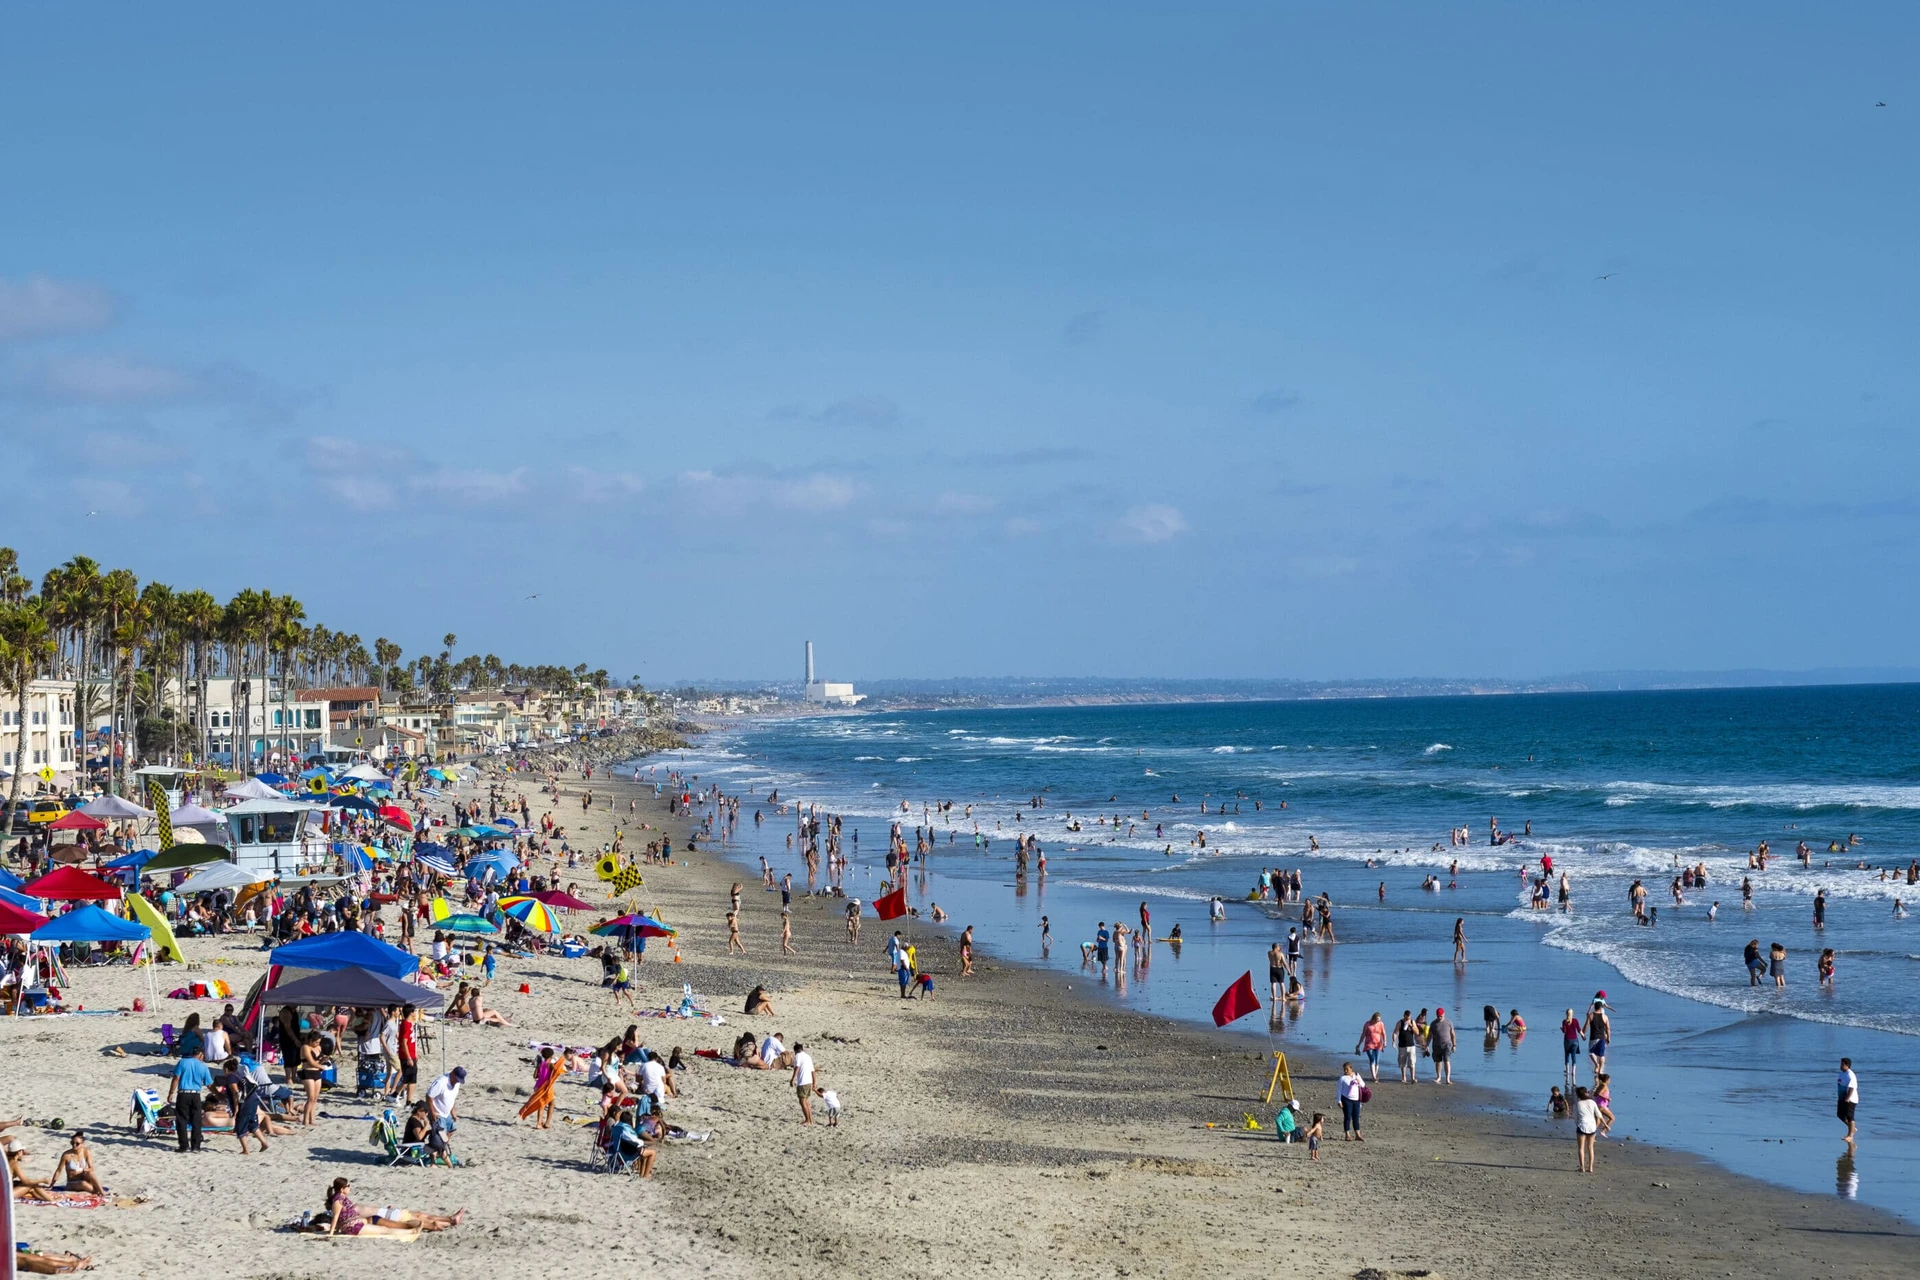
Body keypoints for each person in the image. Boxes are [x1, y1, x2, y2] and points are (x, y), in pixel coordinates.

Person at [323, 1176, 465, 1236]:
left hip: (383, 1214)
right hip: (384, 1216)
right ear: (342, 1189)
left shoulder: (346, 1202)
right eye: (348, 1186)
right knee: (421, 1218)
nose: (350, 1187)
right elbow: (337, 1217)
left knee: (420, 1215)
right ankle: (448, 1222)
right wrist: (332, 1232)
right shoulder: (340, 1202)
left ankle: (450, 1220)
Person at [168, 1039, 214, 1153]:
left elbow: (176, 1078)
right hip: (195, 1095)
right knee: (196, 1121)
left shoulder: (182, 1062)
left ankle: (184, 1146)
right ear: (201, 1054)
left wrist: (171, 1093)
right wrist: (219, 1095)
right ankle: (196, 1146)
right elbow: (209, 1084)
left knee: (182, 1120)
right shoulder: (203, 1067)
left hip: (183, 1094)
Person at [427, 1065, 466, 1134]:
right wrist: (432, 1112)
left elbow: (452, 1098)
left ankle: (444, 1144)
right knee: (439, 1137)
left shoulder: (457, 1083)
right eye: (457, 1079)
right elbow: (429, 1096)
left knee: (451, 1131)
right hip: (438, 1114)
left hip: (447, 1114)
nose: (457, 1082)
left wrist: (453, 1111)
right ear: (452, 1074)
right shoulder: (441, 1082)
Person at [1573, 1085, 1600, 1172]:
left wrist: (1578, 1124)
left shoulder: (1577, 1104)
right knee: (1590, 1147)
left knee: (1581, 1148)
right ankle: (1591, 1167)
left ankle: (1582, 1167)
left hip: (1582, 1126)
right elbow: (1598, 1115)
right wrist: (1597, 1124)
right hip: (1592, 1126)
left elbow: (1575, 1117)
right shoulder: (1592, 1102)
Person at [1336, 1061, 1365, 1141]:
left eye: (1347, 1069)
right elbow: (1339, 1090)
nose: (1345, 1071)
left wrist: (1359, 1082)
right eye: (1344, 1070)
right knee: (1348, 1117)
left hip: (1356, 1100)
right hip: (1346, 1099)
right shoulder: (1342, 1078)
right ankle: (1347, 1135)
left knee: (1356, 1117)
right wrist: (1339, 1101)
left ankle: (1357, 1135)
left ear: (1351, 1069)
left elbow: (1363, 1085)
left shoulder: (1357, 1075)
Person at [791, 1042, 817, 1125]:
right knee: (806, 1101)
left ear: (795, 1051)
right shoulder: (808, 1056)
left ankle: (807, 1120)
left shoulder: (798, 1056)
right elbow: (813, 1071)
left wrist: (793, 1078)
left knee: (802, 1101)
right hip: (809, 1081)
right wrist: (814, 1082)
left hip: (803, 1082)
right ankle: (810, 1119)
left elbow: (797, 1067)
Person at [1429, 1007, 1457, 1083]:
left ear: (1444, 1014)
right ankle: (1438, 1077)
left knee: (1447, 1060)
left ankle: (1448, 1079)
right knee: (1438, 1062)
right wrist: (1426, 1046)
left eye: (1441, 1016)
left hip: (1447, 1044)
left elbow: (1453, 1034)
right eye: (1438, 1016)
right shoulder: (1433, 1024)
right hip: (1436, 1045)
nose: (1439, 1017)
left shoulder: (1449, 1022)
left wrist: (1454, 1045)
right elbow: (1429, 1035)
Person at [1584, 998, 1611, 1076]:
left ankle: (1596, 1064)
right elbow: (1608, 1028)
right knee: (1602, 1054)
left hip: (1593, 1037)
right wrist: (1609, 1037)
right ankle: (1600, 1068)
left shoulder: (1591, 1015)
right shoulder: (1605, 1017)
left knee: (1591, 1052)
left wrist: (1583, 1033)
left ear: (1595, 1007)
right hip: (1602, 1037)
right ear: (1601, 1008)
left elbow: (1586, 1026)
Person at [1356, 1012, 1386, 1079]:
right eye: (1377, 1020)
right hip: (1369, 1044)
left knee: (1377, 1061)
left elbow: (1383, 1033)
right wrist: (1359, 1044)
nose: (1378, 1021)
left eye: (1379, 1020)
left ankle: (1375, 1075)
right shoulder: (1367, 1024)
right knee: (1372, 1060)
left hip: (1378, 1044)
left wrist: (1385, 1042)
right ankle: (1374, 1077)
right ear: (1374, 1018)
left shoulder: (1381, 1024)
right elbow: (1363, 1034)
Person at [1837, 1057, 1859, 1144]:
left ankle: (1850, 1136)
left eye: (1842, 1064)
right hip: (1841, 1098)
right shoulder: (1842, 1073)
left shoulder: (1850, 1075)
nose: (1840, 1066)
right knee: (1840, 1115)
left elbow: (1852, 1088)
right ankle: (1852, 1128)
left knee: (1850, 1116)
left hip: (1850, 1099)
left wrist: (1847, 1098)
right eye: (1840, 1064)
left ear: (1847, 1065)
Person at [1394, 1010, 1420, 1083]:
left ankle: (1413, 1078)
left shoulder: (1412, 1022)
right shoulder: (1400, 1022)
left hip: (1411, 1045)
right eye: (1406, 1017)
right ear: (1404, 1016)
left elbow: (1417, 1032)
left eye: (1408, 1017)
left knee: (1412, 1062)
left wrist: (1411, 1026)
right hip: (1402, 1046)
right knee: (1402, 1062)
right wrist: (1394, 1040)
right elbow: (1395, 1032)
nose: (1407, 1019)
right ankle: (1404, 1078)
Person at [1559, 1008, 1582, 1084]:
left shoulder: (1564, 1021)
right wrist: (1583, 1036)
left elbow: (1565, 1032)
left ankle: (1567, 1070)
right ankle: (1573, 1072)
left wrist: (1562, 1029)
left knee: (1567, 1054)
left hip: (1567, 1040)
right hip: (1575, 1040)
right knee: (1574, 1056)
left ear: (1566, 1014)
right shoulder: (1575, 1021)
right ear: (1573, 1013)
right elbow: (1579, 1030)